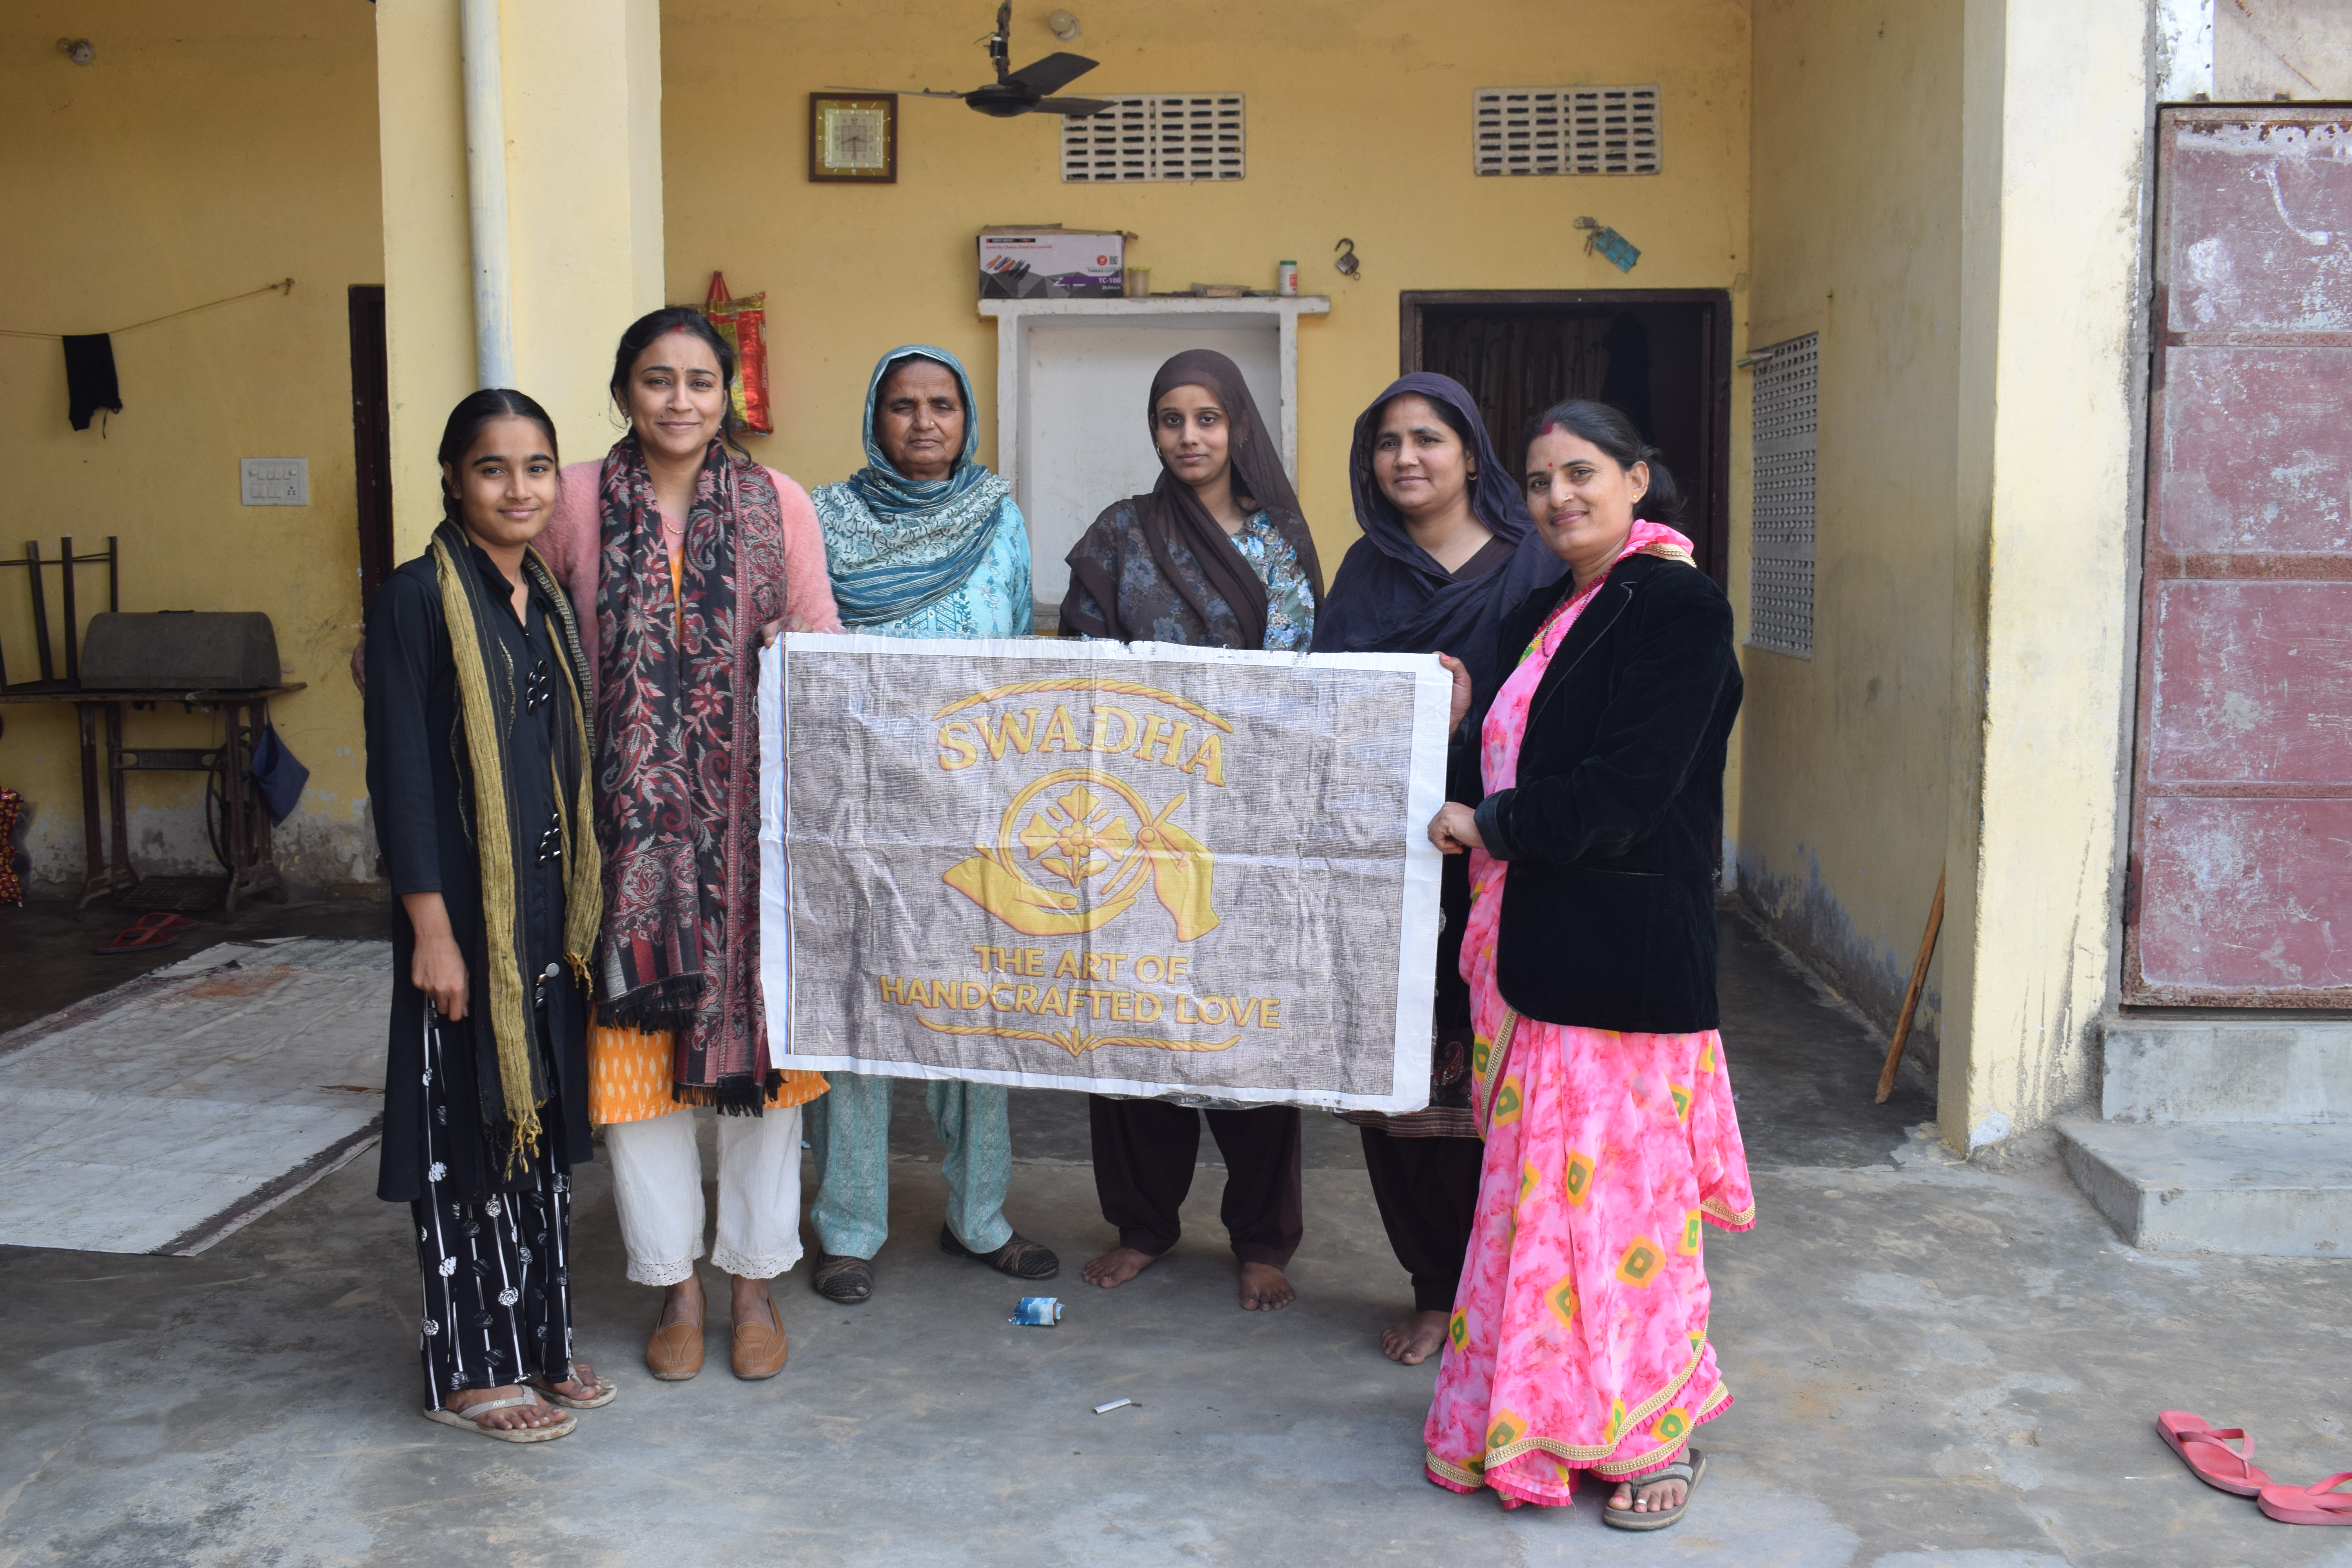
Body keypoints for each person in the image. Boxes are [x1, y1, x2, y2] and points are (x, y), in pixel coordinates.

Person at [1420, 400, 1751, 1526]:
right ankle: (1534, 1419)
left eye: (1583, 474)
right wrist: (1463, 721)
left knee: (1627, 1226)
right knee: (1536, 1216)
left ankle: (1653, 1436)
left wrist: (1491, 828)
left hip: (1621, 970)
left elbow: (1627, 792)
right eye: (1542, 480)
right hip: (1539, 966)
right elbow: (1527, 751)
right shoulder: (1563, 609)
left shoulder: (1676, 608)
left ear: (1638, 479)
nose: (1560, 496)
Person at [533, 307, 842, 1382]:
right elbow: (506, 609)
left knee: (765, 1079)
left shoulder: (777, 502)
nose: (679, 401)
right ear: (623, 391)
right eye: (657, 380)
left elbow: (819, 637)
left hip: (747, 842)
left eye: (701, 382)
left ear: (728, 397)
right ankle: (676, 1286)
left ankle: (755, 1284)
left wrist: (792, 646)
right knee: (637, 1082)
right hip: (622, 842)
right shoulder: (572, 499)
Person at [365, 388, 615, 1441]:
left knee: (539, 1136)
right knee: (465, 1145)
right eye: (493, 468)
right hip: (463, 920)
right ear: (454, 480)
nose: (519, 488)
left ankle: (541, 1345)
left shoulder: (545, 598)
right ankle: (469, 1372)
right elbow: (405, 776)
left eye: (537, 467)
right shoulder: (418, 599)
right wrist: (430, 930)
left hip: (542, 923)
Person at [1058, 348, 1325, 1311]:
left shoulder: (1279, 545)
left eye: (1207, 418)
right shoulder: (1122, 533)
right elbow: (1085, 663)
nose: (1189, 437)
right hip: (1131, 810)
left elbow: (1296, 683)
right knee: (1131, 1019)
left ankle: (1261, 1235)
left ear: (1239, 425)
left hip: (1246, 814)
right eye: (1171, 419)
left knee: (1248, 1031)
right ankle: (1143, 1222)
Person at [1317, 374, 1565, 1366]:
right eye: (1387, 441)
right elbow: (1326, 716)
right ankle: (1431, 1284)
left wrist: (1469, 728)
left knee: (1497, 1084)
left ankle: (1497, 1291)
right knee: (1404, 1086)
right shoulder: (1365, 572)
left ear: (1471, 452)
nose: (1406, 457)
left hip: (1497, 865)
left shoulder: (1535, 565)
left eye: (1429, 437)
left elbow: (1560, 707)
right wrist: (1408, 725)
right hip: (1387, 866)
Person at [801, 344, 1058, 1303]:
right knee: (857, 1015)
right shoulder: (825, 518)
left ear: (967, 417)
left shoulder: (1000, 516)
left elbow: (1021, 658)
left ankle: (978, 1217)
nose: (923, 422)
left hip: (974, 816)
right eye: (903, 405)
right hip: (855, 812)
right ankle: (850, 1227)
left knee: (973, 1017)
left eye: (942, 404)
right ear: (875, 415)